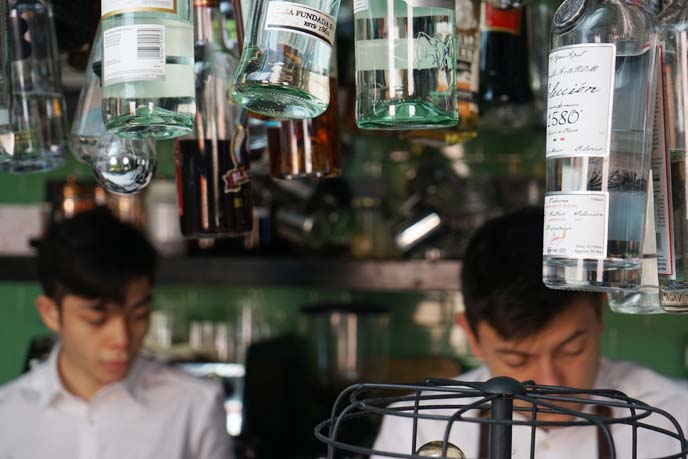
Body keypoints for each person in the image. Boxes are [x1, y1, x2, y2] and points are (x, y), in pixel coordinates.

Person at [373, 206, 688, 458]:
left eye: (571, 349)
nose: (550, 383)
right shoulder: (420, 425)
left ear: (599, 314)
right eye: (517, 359)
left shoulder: (672, 416)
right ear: (471, 336)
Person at [0, 208, 233, 458]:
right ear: (50, 313)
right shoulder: (8, 415)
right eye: (97, 319)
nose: (122, 340)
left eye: (139, 315)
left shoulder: (195, 405)